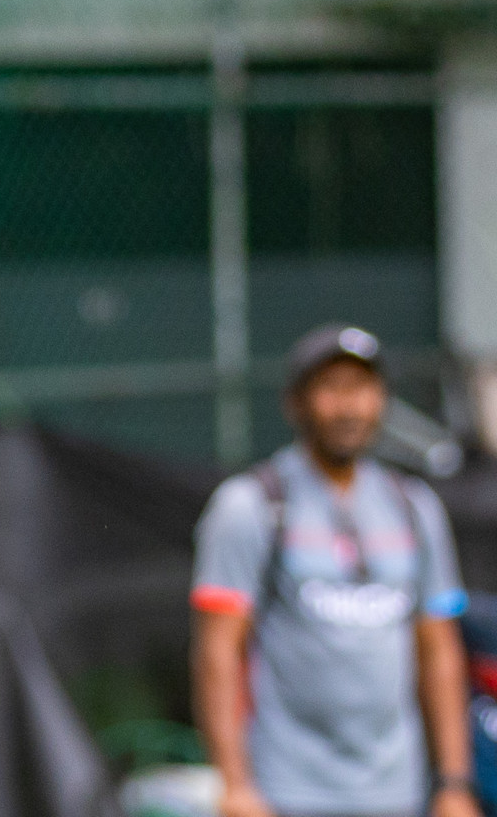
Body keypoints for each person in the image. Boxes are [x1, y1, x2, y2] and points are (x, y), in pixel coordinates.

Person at [191, 324, 479, 817]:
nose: (349, 407)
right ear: (295, 403)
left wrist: (454, 783)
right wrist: (235, 785)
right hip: (286, 792)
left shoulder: (415, 507)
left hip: (398, 793)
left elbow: (439, 651)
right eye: (331, 389)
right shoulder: (252, 505)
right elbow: (218, 650)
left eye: (363, 389)